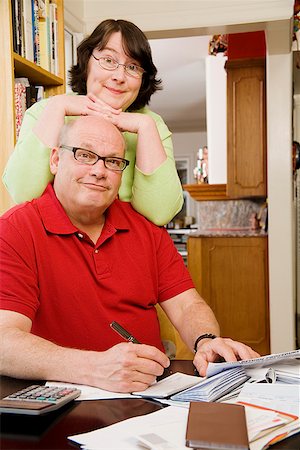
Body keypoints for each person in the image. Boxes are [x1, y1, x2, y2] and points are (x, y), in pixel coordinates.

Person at [0, 116, 259, 393]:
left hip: (151, 393)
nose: (99, 171)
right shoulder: (15, 229)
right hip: (61, 403)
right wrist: (95, 368)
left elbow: (187, 306)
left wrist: (205, 341)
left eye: (113, 161)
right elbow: (4, 342)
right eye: (85, 155)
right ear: (55, 160)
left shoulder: (146, 228)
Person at [2, 19, 183, 226]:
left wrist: (145, 127)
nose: (119, 76)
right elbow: (23, 193)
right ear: (87, 61)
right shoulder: (47, 111)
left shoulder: (152, 124)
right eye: (108, 60)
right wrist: (57, 106)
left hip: (126, 246)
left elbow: (161, 212)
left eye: (133, 67)